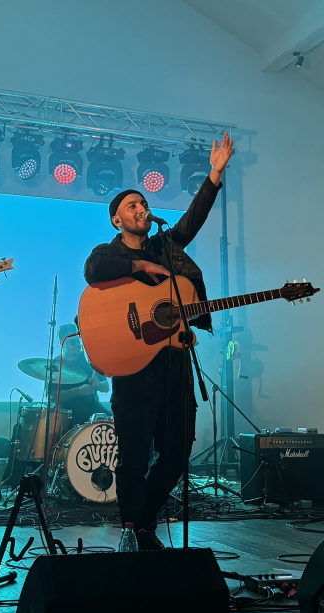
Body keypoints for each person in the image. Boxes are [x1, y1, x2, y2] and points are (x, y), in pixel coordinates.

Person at [84, 132, 233, 550]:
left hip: (174, 362)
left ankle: (142, 521)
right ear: (117, 219)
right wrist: (139, 265)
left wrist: (215, 173)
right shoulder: (107, 254)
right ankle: (135, 530)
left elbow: (193, 219)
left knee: (178, 450)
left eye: (144, 204)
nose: (141, 209)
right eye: (131, 205)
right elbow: (93, 269)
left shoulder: (167, 246)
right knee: (134, 453)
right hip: (133, 368)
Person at [51, 323, 111, 427]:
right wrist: (78, 391)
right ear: (62, 344)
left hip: (93, 410)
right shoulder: (55, 365)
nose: (77, 345)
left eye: (78, 340)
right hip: (67, 415)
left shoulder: (89, 359)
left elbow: (106, 387)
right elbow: (53, 396)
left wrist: (98, 385)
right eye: (72, 342)